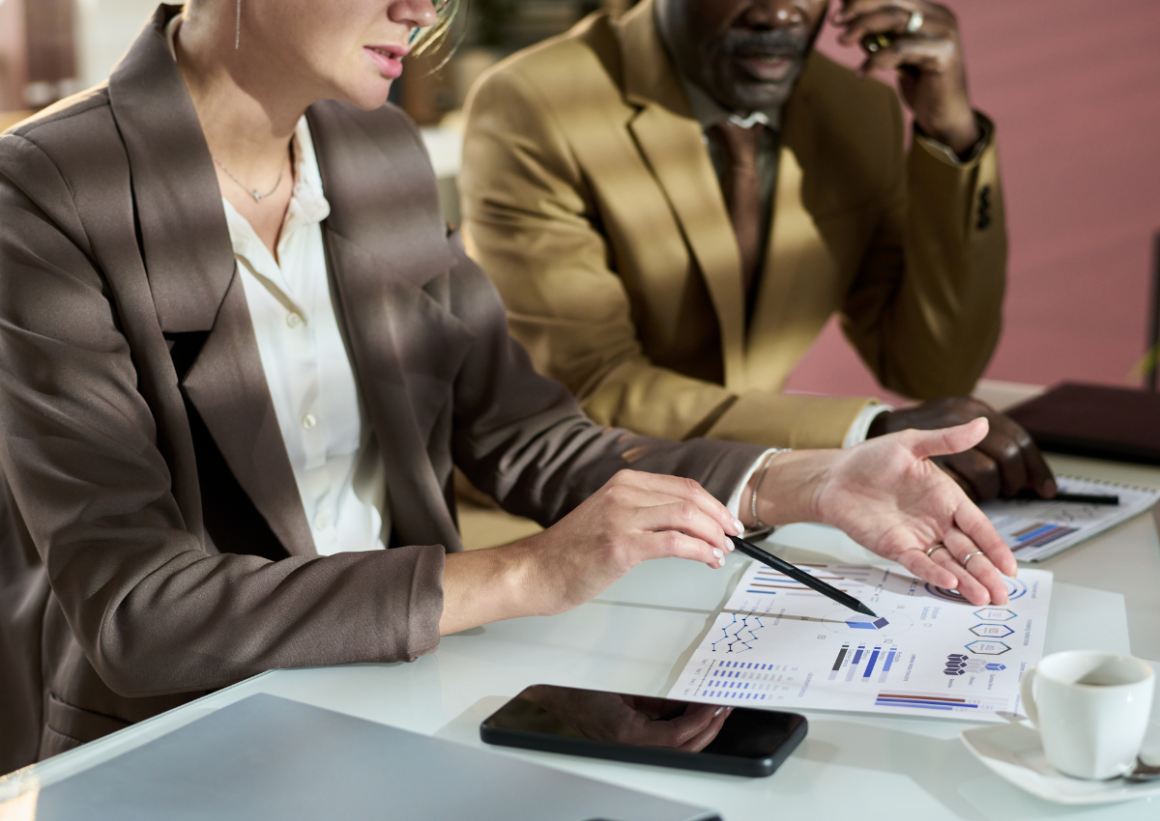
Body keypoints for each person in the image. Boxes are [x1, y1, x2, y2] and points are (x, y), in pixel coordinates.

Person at [0, 0, 1012, 774]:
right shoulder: (41, 191)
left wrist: (810, 481)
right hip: (176, 748)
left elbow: (531, 439)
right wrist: (528, 574)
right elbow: (138, 610)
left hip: (393, 703)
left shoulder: (373, 152)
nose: (425, 7)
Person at [460, 0, 1055, 502]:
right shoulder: (537, 103)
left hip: (761, 507)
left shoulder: (857, 107)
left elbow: (933, 369)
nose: (779, 12)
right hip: (564, 509)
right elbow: (588, 386)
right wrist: (865, 430)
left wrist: (950, 136)